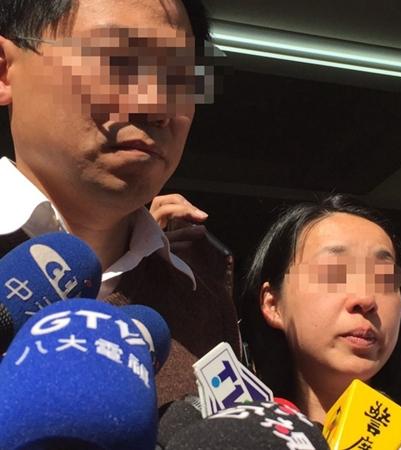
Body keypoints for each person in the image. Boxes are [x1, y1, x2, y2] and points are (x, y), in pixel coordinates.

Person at [0, 0, 241, 406]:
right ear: (5, 71)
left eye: (181, 77)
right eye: (117, 60)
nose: (156, 104)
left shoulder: (203, 305)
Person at [240, 194, 401, 446]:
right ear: (273, 305)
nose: (365, 299)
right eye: (334, 272)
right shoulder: (232, 434)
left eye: (385, 279)